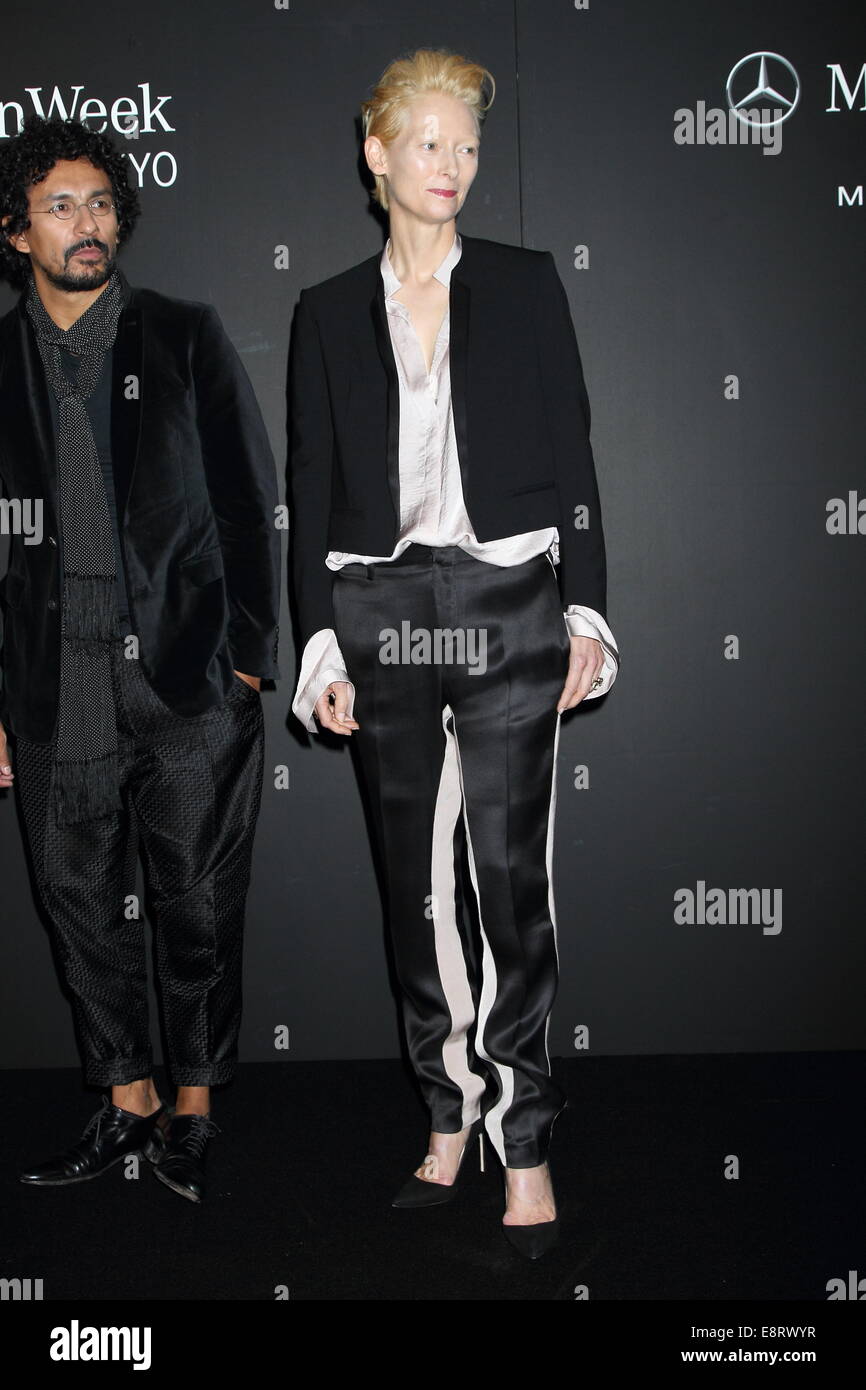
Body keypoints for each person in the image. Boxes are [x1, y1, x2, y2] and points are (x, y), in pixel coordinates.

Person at [288, 48, 619, 1257]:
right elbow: (309, 487)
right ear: (377, 156)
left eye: (467, 145)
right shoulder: (324, 309)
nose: (451, 165)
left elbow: (575, 463)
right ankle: (448, 1111)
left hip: (504, 597)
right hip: (380, 610)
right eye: (427, 142)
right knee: (414, 893)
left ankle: (522, 1136)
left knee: (508, 888)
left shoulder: (526, 285)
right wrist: (320, 640)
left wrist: (584, 611)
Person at [0, 115, 281, 1203]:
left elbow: (250, 509)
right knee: (78, 905)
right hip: (53, 682)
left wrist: (248, 663)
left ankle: (195, 1110)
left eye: (101, 203)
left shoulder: (182, 334)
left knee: (197, 907)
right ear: (14, 231)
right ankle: (124, 1106)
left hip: (184, 678)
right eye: (60, 206)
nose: (88, 224)